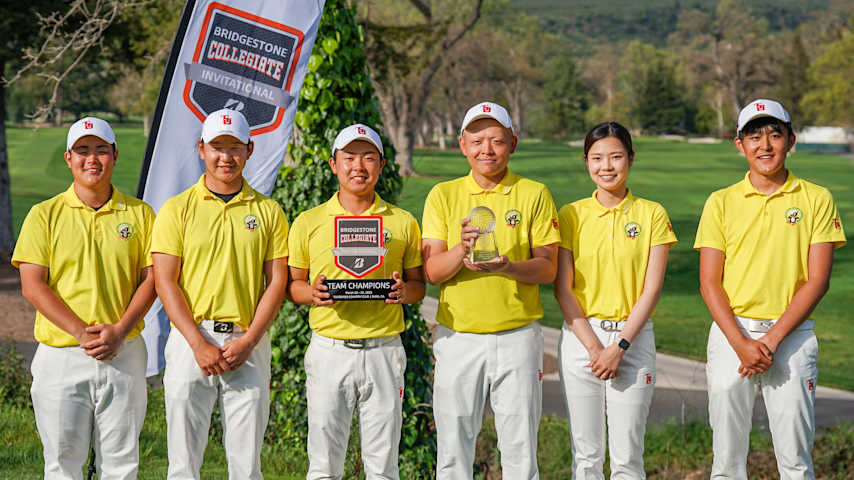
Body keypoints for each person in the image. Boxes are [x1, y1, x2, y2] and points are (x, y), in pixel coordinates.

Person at [695, 99, 846, 479]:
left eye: (775, 135)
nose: (765, 145)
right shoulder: (720, 202)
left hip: (792, 336)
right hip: (733, 335)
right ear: (739, 144)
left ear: (790, 140)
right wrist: (742, 344)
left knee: (795, 460)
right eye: (754, 136)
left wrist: (772, 340)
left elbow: (818, 280)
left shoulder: (816, 198)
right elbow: (710, 282)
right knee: (727, 461)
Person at [422, 101, 560, 479]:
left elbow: (548, 268)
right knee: (452, 447)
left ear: (512, 143)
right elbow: (432, 271)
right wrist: (461, 248)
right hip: (458, 336)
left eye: (497, 140)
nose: (487, 149)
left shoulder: (534, 193)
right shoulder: (443, 195)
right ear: (462, 144)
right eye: (478, 140)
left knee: (519, 448)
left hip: (517, 336)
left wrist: (508, 267)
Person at [12, 117, 156, 479]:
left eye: (101, 151)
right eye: (83, 151)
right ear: (68, 158)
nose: (92, 159)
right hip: (62, 354)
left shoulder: (140, 214)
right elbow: (33, 284)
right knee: (62, 465)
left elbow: (152, 278)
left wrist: (120, 330)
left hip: (124, 351)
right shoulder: (43, 215)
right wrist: (80, 331)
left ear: (114, 155)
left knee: (122, 466)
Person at [151, 108, 289, 479]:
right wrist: (197, 343)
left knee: (246, 467)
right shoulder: (176, 209)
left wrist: (249, 341)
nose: (225, 157)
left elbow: (276, 282)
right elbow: (166, 281)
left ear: (249, 150)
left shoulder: (269, 211)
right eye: (216, 147)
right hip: (189, 341)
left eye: (234, 147)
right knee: (183, 465)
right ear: (201, 149)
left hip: (248, 341)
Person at [287, 123, 425, 479]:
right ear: (334, 164)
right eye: (349, 157)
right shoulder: (309, 221)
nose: (358, 167)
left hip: (383, 350)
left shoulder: (403, 222)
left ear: (381, 165)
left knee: (382, 466)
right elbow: (294, 286)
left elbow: (418, 287)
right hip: (330, 350)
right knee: (323, 465)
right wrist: (312, 294)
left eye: (368, 158)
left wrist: (402, 293)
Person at [554, 121, 676, 479]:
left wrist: (618, 346)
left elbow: (651, 289)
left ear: (631, 160)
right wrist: (595, 349)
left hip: (632, 340)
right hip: (581, 340)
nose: (606, 167)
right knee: (587, 456)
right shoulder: (570, 215)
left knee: (627, 457)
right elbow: (563, 289)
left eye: (615, 157)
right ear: (586, 162)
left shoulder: (652, 214)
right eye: (596, 158)